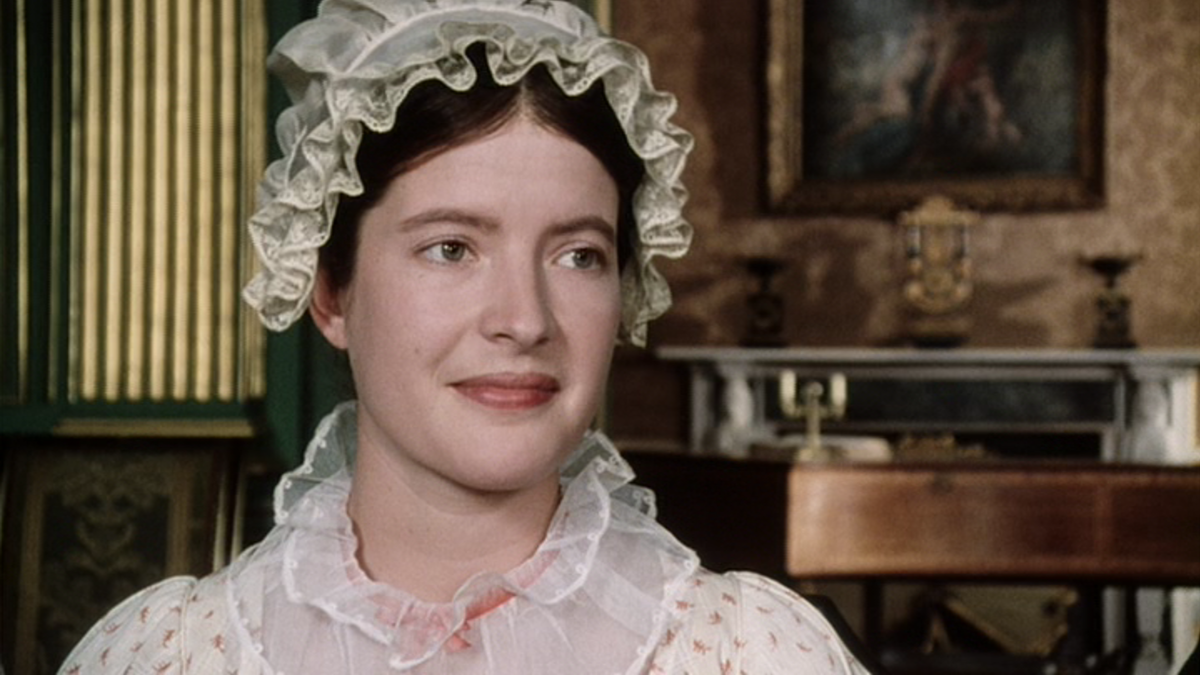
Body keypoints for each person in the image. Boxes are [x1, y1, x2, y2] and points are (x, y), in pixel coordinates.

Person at [60, 1, 871, 672]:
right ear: (330, 292)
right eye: (451, 248)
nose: (525, 319)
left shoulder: (749, 652)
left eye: (579, 255)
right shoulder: (171, 654)